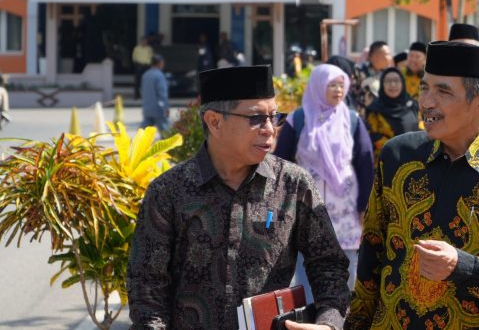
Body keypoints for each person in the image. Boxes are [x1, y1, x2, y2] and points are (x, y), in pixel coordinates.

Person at [127, 65, 350, 330]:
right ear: (215, 122)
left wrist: (329, 324)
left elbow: (329, 265)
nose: (269, 129)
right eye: (256, 118)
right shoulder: (169, 192)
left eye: (274, 116)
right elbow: (147, 289)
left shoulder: (293, 184)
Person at [347, 41, 479, 330]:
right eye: (425, 88)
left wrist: (462, 267)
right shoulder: (397, 157)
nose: (427, 102)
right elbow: (371, 255)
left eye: (443, 91)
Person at [274, 63, 374, 293]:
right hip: (307, 204)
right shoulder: (297, 120)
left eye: (341, 85)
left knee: (347, 265)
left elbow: (365, 162)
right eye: (332, 85)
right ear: (318, 86)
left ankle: (342, 317)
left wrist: (363, 206)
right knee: (307, 262)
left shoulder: (352, 120)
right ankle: (310, 316)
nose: (338, 90)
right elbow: (280, 162)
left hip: (345, 206)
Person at [364, 66, 421, 154]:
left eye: (396, 80)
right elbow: (372, 137)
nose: (393, 84)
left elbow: (422, 129)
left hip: (415, 160)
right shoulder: (374, 110)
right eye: (388, 81)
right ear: (382, 84)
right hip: (386, 161)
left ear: (402, 83)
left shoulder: (412, 105)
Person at [140, 55, 169, 132]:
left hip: (147, 108)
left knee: (144, 133)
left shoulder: (145, 75)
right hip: (158, 109)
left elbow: (142, 91)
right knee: (166, 133)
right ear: (160, 63)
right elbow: (162, 93)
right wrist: (165, 107)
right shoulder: (159, 75)